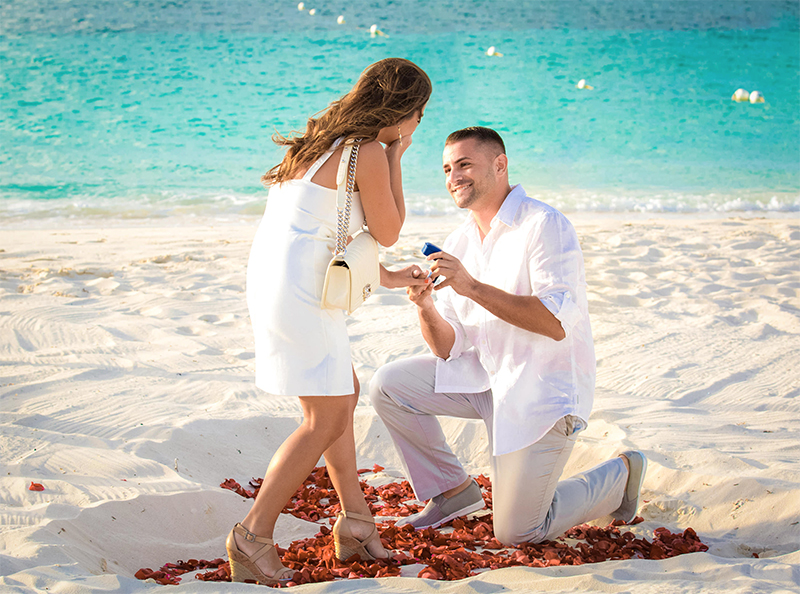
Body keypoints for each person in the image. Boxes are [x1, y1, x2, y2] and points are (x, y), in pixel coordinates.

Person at [369, 126, 647, 546]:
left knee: (519, 532)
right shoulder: (459, 239)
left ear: (500, 165)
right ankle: (452, 491)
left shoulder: (544, 224)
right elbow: (448, 347)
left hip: (540, 394)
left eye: (465, 164)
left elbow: (555, 323)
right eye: (446, 169)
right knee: (389, 385)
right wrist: (426, 307)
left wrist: (471, 286)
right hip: (486, 383)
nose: (453, 177)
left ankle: (619, 477)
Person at [227, 58, 432, 585]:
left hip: (278, 282)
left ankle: (357, 521)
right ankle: (251, 536)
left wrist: (387, 278)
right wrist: (396, 156)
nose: (416, 126)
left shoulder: (315, 144)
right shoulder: (365, 151)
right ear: (403, 110)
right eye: (419, 115)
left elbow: (313, 235)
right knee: (325, 415)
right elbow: (387, 230)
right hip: (301, 295)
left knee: (342, 391)